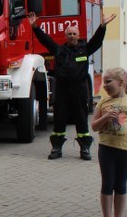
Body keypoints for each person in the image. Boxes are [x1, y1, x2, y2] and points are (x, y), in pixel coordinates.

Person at [29, 11, 117, 160]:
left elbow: (97, 41)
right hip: (62, 89)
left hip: (79, 89)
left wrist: (102, 26)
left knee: (81, 118)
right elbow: (46, 40)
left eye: (74, 34)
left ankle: (85, 149)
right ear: (65, 36)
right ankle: (56, 148)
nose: (72, 36)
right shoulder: (59, 50)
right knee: (59, 118)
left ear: (78, 35)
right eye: (69, 34)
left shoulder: (85, 49)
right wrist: (35, 27)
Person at [90, 67, 127, 217]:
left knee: (121, 184)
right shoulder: (103, 103)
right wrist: (106, 117)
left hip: (126, 149)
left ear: (121, 82)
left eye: (108, 81)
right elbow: (94, 126)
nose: (104, 85)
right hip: (106, 149)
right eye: (104, 82)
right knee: (107, 183)